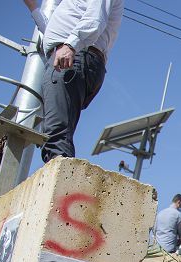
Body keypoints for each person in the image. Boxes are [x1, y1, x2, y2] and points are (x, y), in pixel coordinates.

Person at [23, 0, 123, 163]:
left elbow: (95, 19)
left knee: (56, 134)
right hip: (71, 54)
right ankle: (58, 177)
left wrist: (70, 45)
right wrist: (34, 8)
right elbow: (52, 33)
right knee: (53, 134)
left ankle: (60, 182)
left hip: (74, 55)